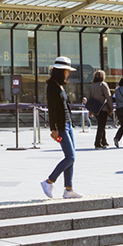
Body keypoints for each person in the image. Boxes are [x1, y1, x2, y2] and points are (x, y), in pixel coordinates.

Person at [41, 56, 82, 199]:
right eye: (67, 70)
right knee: (70, 157)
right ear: (60, 71)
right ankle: (48, 182)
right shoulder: (52, 87)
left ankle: (68, 189)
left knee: (71, 157)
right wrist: (53, 129)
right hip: (61, 126)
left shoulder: (60, 85)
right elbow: (52, 109)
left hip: (68, 124)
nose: (68, 73)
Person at [87, 70, 114, 149]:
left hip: (95, 108)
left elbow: (89, 98)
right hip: (103, 108)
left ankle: (104, 141)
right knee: (101, 126)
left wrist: (90, 110)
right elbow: (108, 97)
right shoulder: (103, 85)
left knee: (101, 124)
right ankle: (97, 142)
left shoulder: (91, 86)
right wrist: (111, 108)